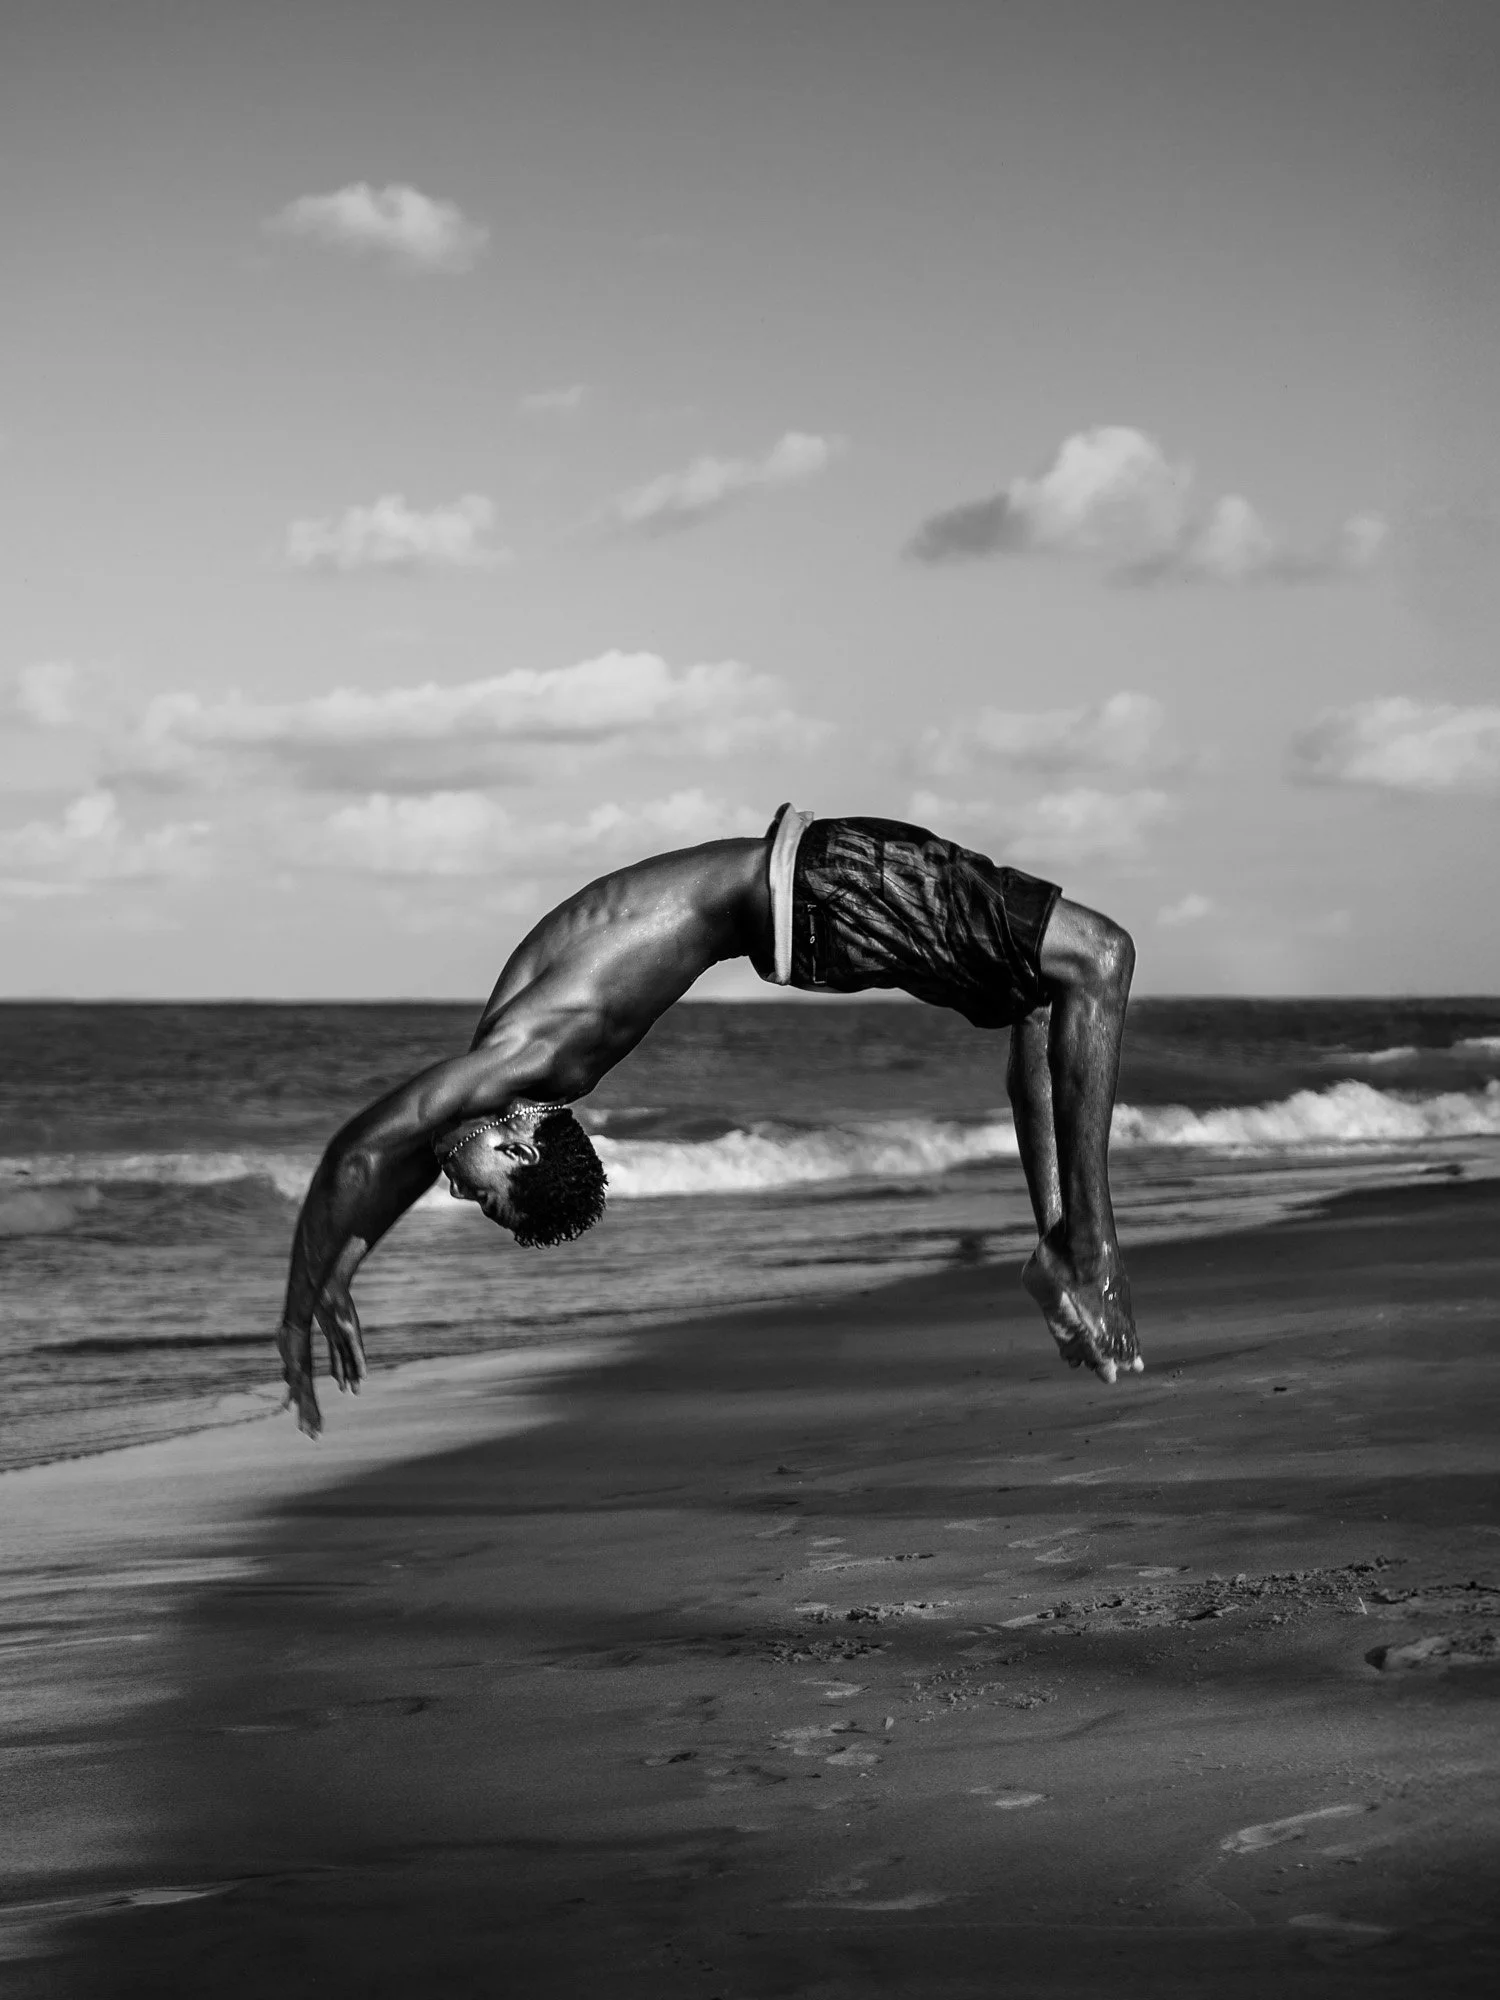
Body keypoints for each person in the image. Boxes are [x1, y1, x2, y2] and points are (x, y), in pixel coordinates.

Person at [278, 806, 1142, 1436]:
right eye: (485, 1201)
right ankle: (1080, 1252)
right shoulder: (521, 1066)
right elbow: (395, 1158)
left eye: (485, 1199)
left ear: (517, 1138)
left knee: (1062, 984)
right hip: (811, 895)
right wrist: (341, 1266)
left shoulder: (524, 1061)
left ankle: (1073, 1245)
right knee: (1092, 962)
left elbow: (364, 1149)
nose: (463, 1193)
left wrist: (308, 1297)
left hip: (823, 886)